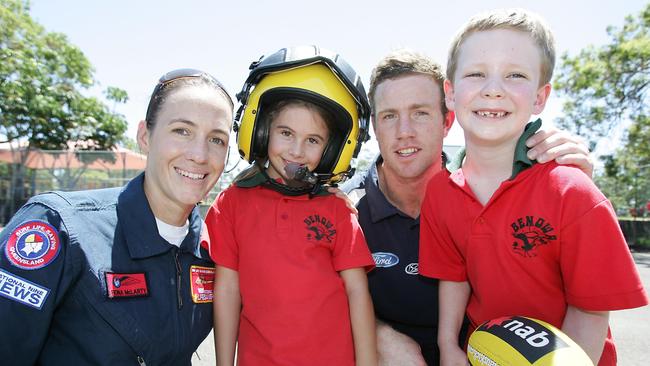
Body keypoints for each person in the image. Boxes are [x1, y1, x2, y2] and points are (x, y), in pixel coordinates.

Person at [418, 8, 649, 366]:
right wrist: (449, 345)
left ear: (540, 97)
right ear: (450, 92)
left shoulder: (573, 191)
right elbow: (454, 276)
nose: (493, 90)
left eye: (515, 75)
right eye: (476, 73)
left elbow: (589, 312)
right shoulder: (440, 192)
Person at [341, 48, 595, 365]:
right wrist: (379, 335)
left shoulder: (494, 191)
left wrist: (568, 179)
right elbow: (317, 300)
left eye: (420, 112)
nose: (404, 131)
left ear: (448, 120)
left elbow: (576, 296)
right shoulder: (345, 209)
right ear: (374, 127)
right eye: (389, 116)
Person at [0, 68, 233, 365]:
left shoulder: (211, 252)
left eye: (216, 140)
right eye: (182, 131)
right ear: (145, 136)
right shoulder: (56, 227)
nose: (199, 154)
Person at [207, 46, 377, 366]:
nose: (297, 151)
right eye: (286, 133)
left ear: (330, 151)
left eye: (313, 140)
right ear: (260, 131)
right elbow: (228, 291)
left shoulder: (337, 210)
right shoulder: (231, 204)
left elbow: (357, 294)